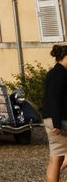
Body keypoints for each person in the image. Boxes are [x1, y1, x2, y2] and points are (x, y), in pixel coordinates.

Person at [43, 44, 67, 182]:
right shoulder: (61, 73)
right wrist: (57, 123)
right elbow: (54, 97)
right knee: (57, 158)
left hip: (52, 119)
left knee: (56, 158)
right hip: (59, 120)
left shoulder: (53, 72)